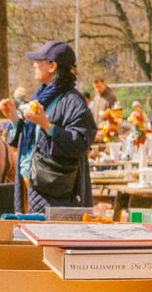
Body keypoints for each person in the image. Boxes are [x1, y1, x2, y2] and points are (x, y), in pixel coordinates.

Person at [10, 41, 95, 213]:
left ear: (52, 66)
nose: (34, 65)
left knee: (49, 238)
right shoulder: (40, 97)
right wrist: (13, 118)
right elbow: (30, 138)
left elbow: (81, 142)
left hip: (55, 191)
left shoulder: (73, 101)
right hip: (30, 183)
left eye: (38, 61)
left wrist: (47, 125)